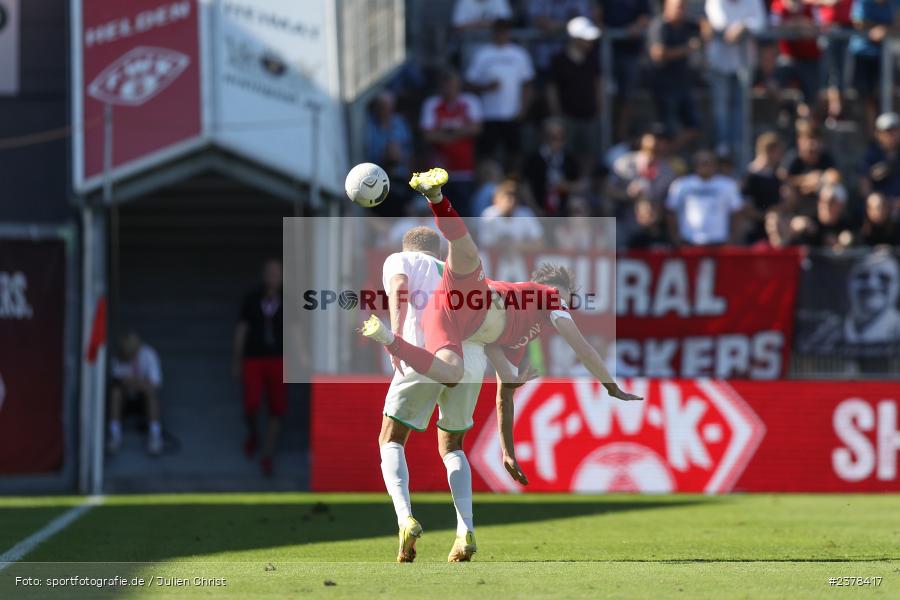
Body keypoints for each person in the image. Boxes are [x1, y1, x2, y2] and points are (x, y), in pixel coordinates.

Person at [361, 169, 641, 467]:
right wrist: (610, 385)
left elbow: (503, 398)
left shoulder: (515, 341)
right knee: (465, 250)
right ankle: (437, 198)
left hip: (450, 318)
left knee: (452, 373)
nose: (565, 307)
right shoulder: (549, 297)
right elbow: (582, 348)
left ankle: (391, 340)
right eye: (566, 299)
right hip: (478, 298)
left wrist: (507, 452)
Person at [376, 226, 495, 563]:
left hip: (424, 351)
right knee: (453, 445)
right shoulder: (458, 271)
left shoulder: (399, 259)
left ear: (408, 247)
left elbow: (399, 286)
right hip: (471, 360)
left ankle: (405, 519)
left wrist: (395, 336)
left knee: (391, 438)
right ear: (440, 252)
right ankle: (465, 530)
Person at [233, 259, 286, 477]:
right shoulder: (252, 299)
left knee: (277, 408)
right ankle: (253, 433)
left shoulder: (287, 300)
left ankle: (267, 453)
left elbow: (295, 329)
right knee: (251, 404)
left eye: (277, 274)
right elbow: (242, 329)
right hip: (254, 357)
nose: (273, 278)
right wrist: (237, 359)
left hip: (278, 358)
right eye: (270, 273)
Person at [465, 19, 535, 168]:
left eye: (504, 31)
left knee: (514, 152)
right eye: (498, 31)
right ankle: (487, 179)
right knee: (486, 153)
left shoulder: (519, 54)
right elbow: (469, 83)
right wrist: (486, 87)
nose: (501, 34)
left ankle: (513, 179)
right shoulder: (482, 54)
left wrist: (523, 110)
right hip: (488, 114)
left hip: (512, 114)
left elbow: (527, 85)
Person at [704, 0, 767, 162]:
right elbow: (721, 24)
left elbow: (760, 23)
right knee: (721, 106)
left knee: (742, 107)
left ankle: (739, 146)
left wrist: (743, 26)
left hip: (744, 65)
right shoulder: (715, 2)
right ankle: (722, 146)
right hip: (720, 64)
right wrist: (743, 26)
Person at [420, 70, 483, 215]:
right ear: (440, 87)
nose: (449, 89)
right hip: (438, 170)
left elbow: (476, 128)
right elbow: (428, 135)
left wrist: (447, 135)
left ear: (458, 86)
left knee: (463, 211)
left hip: (464, 169)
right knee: (440, 212)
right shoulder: (432, 104)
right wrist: (460, 133)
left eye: (452, 85)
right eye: (446, 85)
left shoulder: (470, 102)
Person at [546, 17, 603, 169]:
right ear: (575, 38)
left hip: (589, 114)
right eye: (585, 39)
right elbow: (552, 88)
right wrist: (556, 113)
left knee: (589, 152)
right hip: (567, 115)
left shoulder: (592, 58)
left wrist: (599, 105)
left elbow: (598, 83)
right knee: (566, 153)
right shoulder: (559, 60)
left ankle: (585, 180)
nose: (589, 42)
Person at [647, 0, 702, 148]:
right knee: (666, 130)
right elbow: (658, 53)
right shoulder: (660, 26)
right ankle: (663, 154)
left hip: (683, 84)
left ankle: (669, 152)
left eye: (684, 7)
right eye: (678, 7)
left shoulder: (688, 25)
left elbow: (704, 27)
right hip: (664, 86)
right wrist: (686, 49)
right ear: (667, 6)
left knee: (694, 126)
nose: (681, 10)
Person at [597, 0, 653, 142]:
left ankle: (620, 137)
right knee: (605, 95)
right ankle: (604, 135)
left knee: (627, 97)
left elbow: (646, 16)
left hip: (630, 54)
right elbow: (597, 13)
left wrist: (636, 27)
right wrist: (601, 27)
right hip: (606, 53)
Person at [666, 151, 744, 246]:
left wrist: (734, 237)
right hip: (689, 239)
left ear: (715, 165)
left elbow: (737, 212)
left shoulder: (728, 185)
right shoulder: (681, 185)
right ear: (695, 165)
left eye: (708, 163)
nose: (705, 166)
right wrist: (675, 236)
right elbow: (671, 211)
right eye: (702, 163)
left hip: (719, 240)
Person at [108, 331, 163, 456]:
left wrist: (135, 382)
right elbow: (118, 380)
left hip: (143, 395)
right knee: (115, 393)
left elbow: (155, 384)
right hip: (126, 395)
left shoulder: (149, 354)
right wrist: (137, 382)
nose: (127, 355)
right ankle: (114, 434)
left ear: (138, 348)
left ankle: (155, 435)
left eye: (130, 351)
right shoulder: (119, 356)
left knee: (151, 394)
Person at [850, 0, 900, 132]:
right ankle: (873, 132)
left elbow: (898, 24)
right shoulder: (863, 2)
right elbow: (859, 23)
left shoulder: (895, 3)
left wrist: (885, 30)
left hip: (885, 55)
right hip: (864, 55)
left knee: (886, 93)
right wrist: (880, 28)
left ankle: (885, 131)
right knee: (867, 95)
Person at [770, 0, 823, 118]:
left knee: (811, 102)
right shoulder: (778, 6)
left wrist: (793, 25)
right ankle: (791, 108)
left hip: (810, 60)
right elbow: (775, 28)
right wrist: (799, 25)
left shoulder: (810, 6)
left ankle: (803, 120)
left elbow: (817, 29)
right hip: (787, 58)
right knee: (773, 85)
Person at [365, 91, 414, 216]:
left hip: (399, 179)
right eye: (381, 107)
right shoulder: (368, 126)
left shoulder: (400, 123)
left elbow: (408, 150)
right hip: (376, 178)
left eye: (388, 107)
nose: (384, 111)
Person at [523, 118, 582, 215]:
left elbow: (580, 184)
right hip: (539, 209)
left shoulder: (569, 158)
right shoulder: (533, 159)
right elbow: (525, 187)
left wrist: (566, 186)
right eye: (552, 137)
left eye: (560, 137)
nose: (556, 142)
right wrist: (535, 209)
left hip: (564, 209)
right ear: (543, 137)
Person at [528, 0, 598, 74]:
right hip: (543, 62)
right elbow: (541, 22)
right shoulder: (539, 2)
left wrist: (557, 26)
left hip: (572, 63)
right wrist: (570, 24)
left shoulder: (579, 2)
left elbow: (586, 23)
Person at [743, 132, 785, 242]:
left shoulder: (776, 175)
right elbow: (747, 209)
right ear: (770, 151)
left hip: (774, 231)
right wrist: (767, 216)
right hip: (755, 234)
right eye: (778, 152)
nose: (780, 156)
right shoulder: (750, 177)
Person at [478, 178, 545, 248]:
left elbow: (540, 242)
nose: (511, 203)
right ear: (496, 200)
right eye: (507, 199)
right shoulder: (488, 216)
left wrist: (517, 246)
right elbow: (485, 245)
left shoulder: (525, 213)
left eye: (514, 199)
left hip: (520, 254)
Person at [860, 112, 900, 203]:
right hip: (879, 204)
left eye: (895, 131)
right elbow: (864, 185)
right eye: (887, 132)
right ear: (878, 134)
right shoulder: (871, 156)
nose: (891, 135)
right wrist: (874, 201)